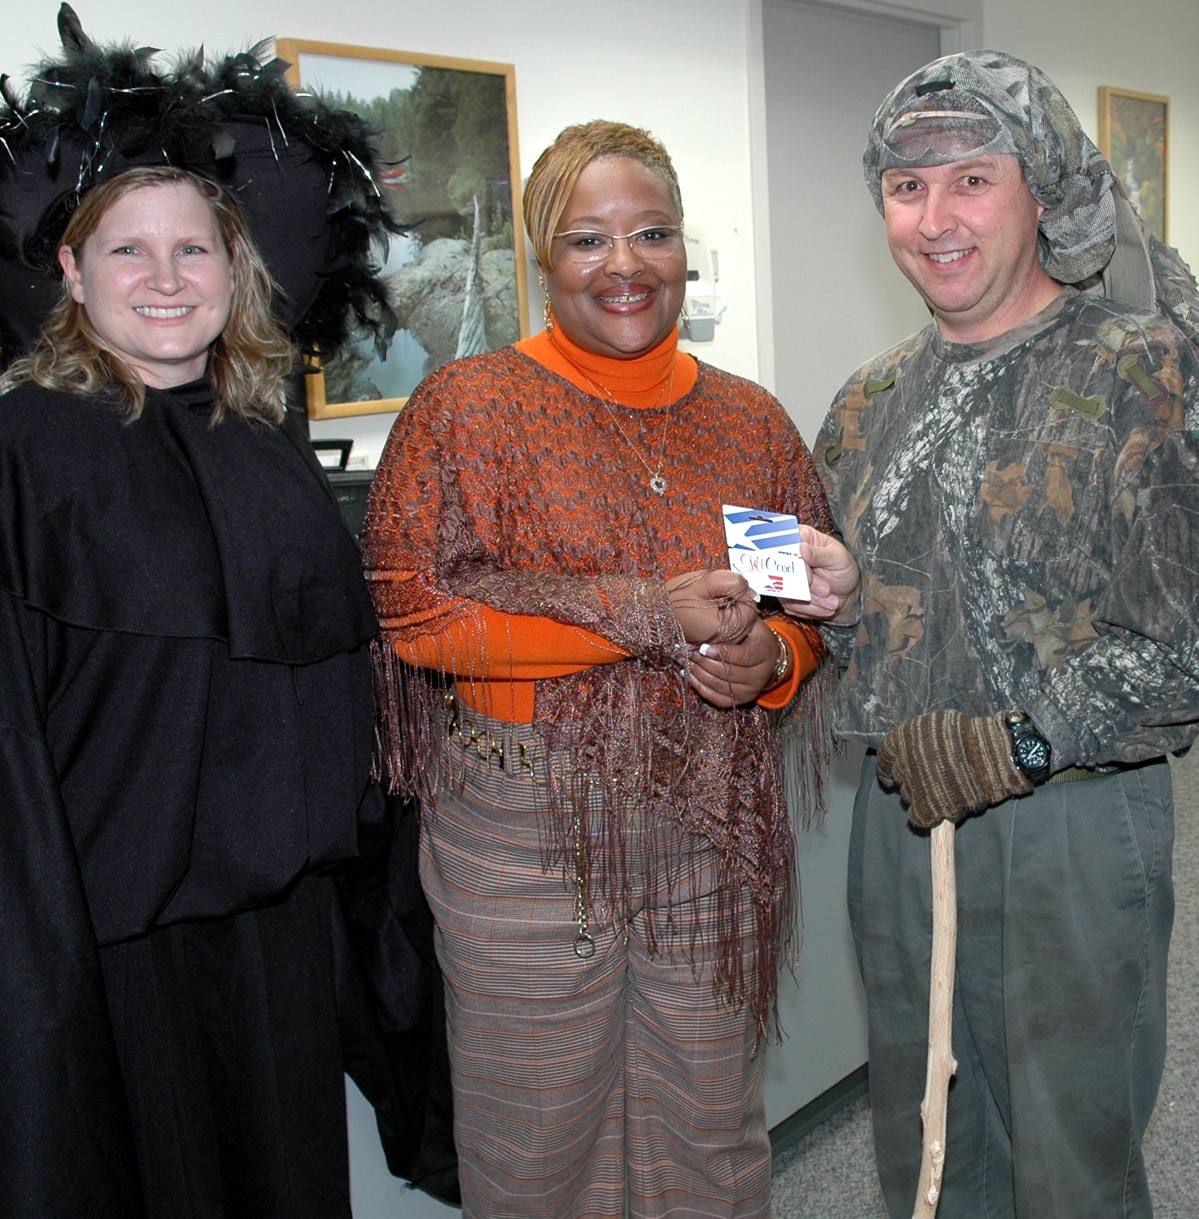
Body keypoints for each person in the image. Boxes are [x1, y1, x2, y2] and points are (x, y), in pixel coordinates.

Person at [0, 166, 389, 1217]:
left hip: (275, 946)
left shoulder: (265, 446)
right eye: (129, 249)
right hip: (97, 957)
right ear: (74, 273)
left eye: (193, 250)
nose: (165, 277)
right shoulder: (2, 467)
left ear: (233, 272)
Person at [815, 53, 1199, 1216]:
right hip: (897, 817)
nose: (935, 220)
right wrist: (819, 609)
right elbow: (865, 616)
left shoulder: (1138, 368)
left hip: (1066, 822)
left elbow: (1192, 642)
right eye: (906, 189)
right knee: (922, 1141)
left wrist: (1017, 743)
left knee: (1068, 1154)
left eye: (972, 180)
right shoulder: (868, 400)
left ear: (1043, 190)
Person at [361, 120, 852, 1218]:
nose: (624, 265)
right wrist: (643, 615)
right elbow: (415, 609)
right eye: (588, 240)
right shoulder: (468, 409)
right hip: (525, 835)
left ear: (685, 249)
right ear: (544, 257)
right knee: (540, 1149)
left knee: (709, 1135)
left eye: (652, 234)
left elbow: (797, 605)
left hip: (707, 822)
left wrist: (770, 660)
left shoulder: (747, 422)